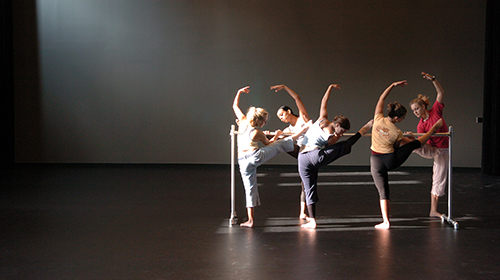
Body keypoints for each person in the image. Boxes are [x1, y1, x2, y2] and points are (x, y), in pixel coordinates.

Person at [233, 86, 311, 228]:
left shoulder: (243, 120)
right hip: (254, 157)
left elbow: (235, 106)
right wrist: (275, 135)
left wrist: (239, 92)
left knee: (249, 189)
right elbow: (270, 143)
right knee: (280, 144)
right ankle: (302, 132)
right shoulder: (257, 131)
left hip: (242, 161)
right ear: (259, 121)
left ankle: (250, 221)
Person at [297, 84, 373, 229]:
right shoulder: (331, 136)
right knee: (344, 146)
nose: (341, 133)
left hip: (302, 158)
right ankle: (364, 129)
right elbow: (332, 146)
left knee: (309, 188)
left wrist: (330, 88)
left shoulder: (322, 119)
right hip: (314, 157)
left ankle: (312, 221)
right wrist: (338, 137)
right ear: (337, 124)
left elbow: (324, 101)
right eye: (342, 130)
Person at [370, 80, 443, 230]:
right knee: (412, 144)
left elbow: (381, 99)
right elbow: (415, 144)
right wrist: (432, 131)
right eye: (402, 118)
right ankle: (432, 131)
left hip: (375, 162)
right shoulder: (397, 132)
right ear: (397, 118)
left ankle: (386, 222)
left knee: (383, 192)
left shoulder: (377, 118)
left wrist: (392, 85)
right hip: (391, 160)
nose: (403, 120)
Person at [409, 72, 449, 218]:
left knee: (438, 179)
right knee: (413, 143)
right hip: (431, 149)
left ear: (424, 107)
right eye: (413, 111)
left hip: (442, 151)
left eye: (417, 109)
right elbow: (423, 142)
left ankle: (433, 210)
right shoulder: (421, 125)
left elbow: (440, 92)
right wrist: (415, 138)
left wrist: (433, 79)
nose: (415, 112)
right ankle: (404, 144)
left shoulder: (436, 111)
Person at [271, 84, 311, 219]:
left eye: (282, 114)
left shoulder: (302, 118)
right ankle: (302, 212)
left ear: (288, 111)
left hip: (309, 151)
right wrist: (272, 135)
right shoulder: (288, 129)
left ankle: (303, 212)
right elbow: (282, 136)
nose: (281, 118)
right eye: (279, 117)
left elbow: (297, 98)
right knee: (280, 139)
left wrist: (285, 87)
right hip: (300, 153)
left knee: (304, 183)